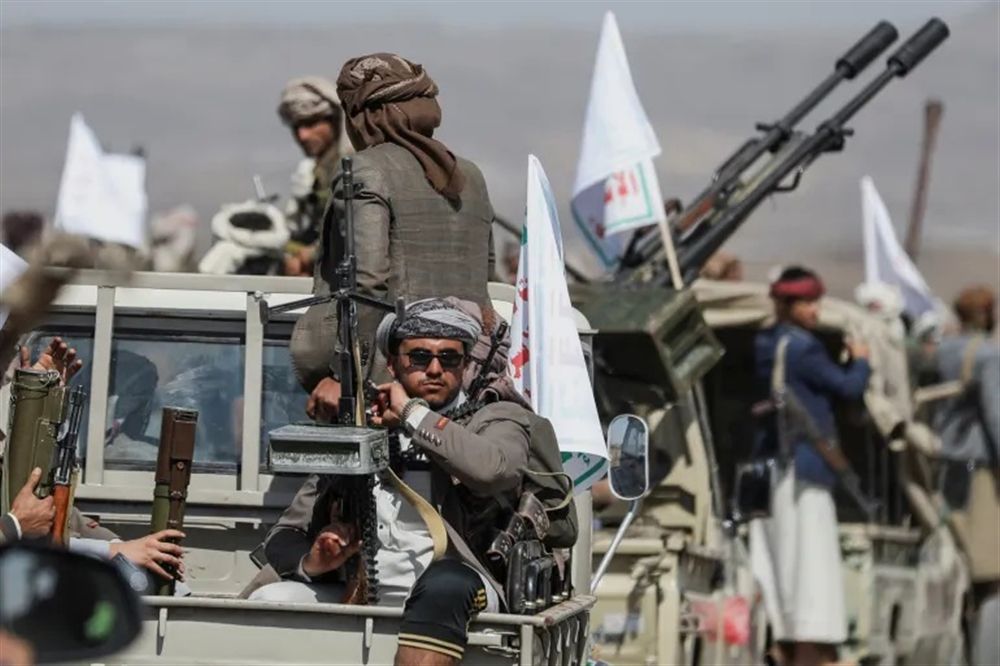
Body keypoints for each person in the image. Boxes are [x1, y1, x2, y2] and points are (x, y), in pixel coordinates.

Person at [253, 298, 567, 666]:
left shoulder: (497, 418)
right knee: (270, 601)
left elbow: (492, 470)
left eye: (449, 358)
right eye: (419, 357)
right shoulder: (362, 427)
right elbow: (284, 534)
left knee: (444, 585)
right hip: (363, 590)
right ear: (392, 363)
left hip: (466, 588)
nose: (434, 369)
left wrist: (410, 414)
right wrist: (314, 561)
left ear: (465, 364)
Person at [290, 53, 497, 422]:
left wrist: (343, 376)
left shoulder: (367, 170)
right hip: (464, 383)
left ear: (367, 116)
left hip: (388, 390)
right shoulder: (470, 175)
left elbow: (368, 282)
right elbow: (485, 274)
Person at [749, 266, 871, 666]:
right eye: (806, 303)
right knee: (811, 567)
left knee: (783, 565)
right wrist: (861, 361)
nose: (815, 310)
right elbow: (849, 387)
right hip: (803, 470)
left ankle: (786, 645)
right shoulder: (804, 348)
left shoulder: (765, 342)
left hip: (774, 468)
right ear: (787, 305)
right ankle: (809, 653)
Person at [931, 285, 1000, 666]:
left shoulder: (942, 352)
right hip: (980, 472)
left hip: (945, 465)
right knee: (989, 571)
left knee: (955, 561)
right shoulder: (989, 357)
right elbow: (996, 417)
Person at [276, 76, 350, 277]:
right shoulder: (318, 170)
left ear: (335, 121)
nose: (302, 136)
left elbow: (358, 232)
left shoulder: (352, 165)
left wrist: (310, 256)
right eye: (296, 127)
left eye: (310, 124)